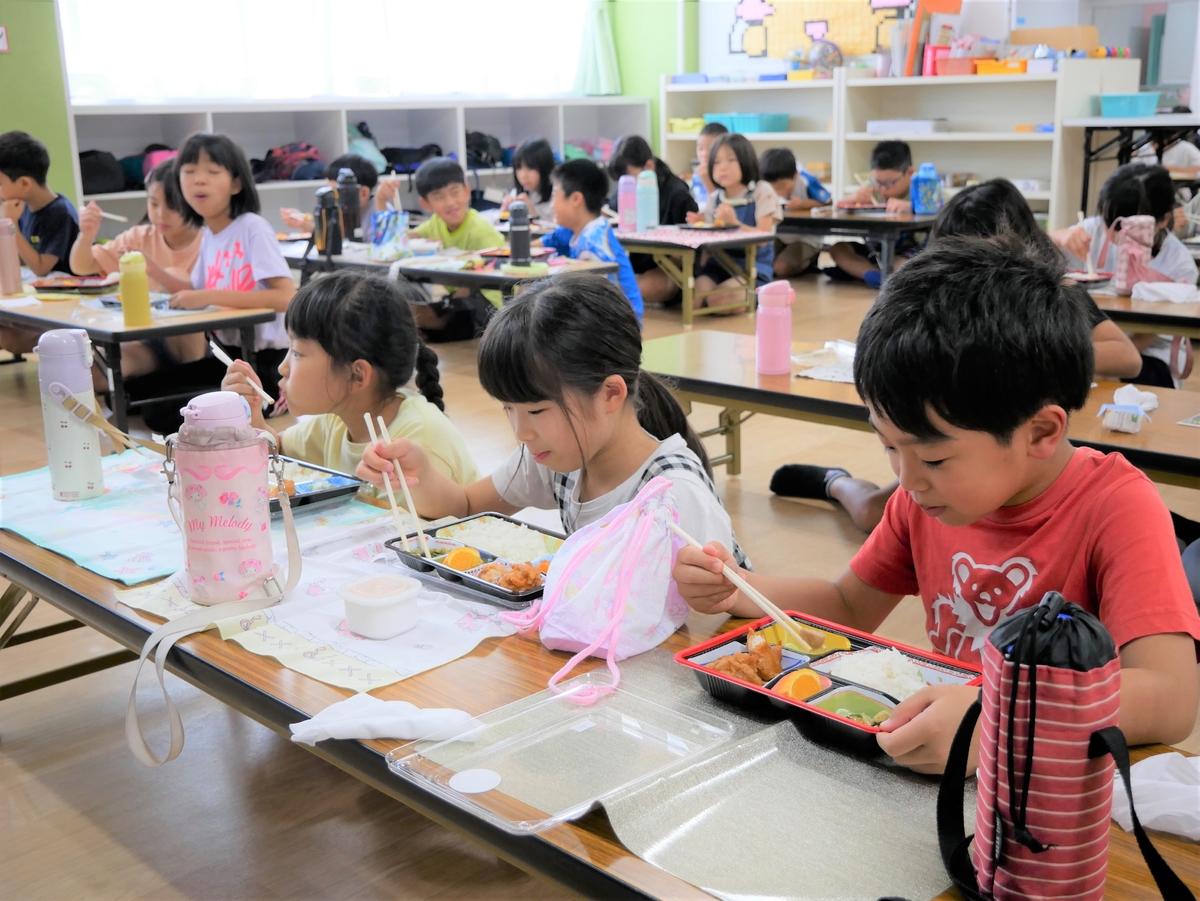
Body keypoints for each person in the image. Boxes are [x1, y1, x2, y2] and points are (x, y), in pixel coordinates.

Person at [676, 238, 1200, 773]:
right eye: (888, 447)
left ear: (1040, 430)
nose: (906, 480)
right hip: (948, 765)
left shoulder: (1116, 507)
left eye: (934, 458)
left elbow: (1171, 697)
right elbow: (849, 606)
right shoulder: (920, 498)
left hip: (1052, 796)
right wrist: (737, 586)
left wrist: (1000, 718)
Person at [772, 179, 1144, 532]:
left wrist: (1021, 360)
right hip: (972, 444)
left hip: (1014, 446)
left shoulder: (1039, 296)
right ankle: (836, 482)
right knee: (875, 512)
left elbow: (1128, 358)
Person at [356, 272, 747, 566]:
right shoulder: (560, 456)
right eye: (508, 409)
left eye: (536, 410)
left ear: (610, 394)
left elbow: (712, 618)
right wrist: (419, 473)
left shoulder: (673, 495)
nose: (520, 431)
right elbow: (466, 505)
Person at [222, 270, 477, 491]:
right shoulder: (336, 420)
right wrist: (251, 413)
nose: (282, 367)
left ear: (357, 375)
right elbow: (275, 448)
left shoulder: (418, 442)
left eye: (297, 352)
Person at [170, 132, 296, 399]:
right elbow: (194, 291)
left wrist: (207, 296)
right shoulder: (209, 234)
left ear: (236, 184)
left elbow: (286, 297)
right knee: (140, 395)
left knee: (166, 410)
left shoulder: (252, 227)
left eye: (213, 171)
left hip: (267, 365)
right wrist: (148, 267)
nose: (199, 179)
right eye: (189, 171)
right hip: (229, 358)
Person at [1051, 163, 1197, 388]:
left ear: (1163, 220)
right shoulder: (1091, 232)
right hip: (1089, 346)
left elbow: (1142, 340)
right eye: (1109, 221)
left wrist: (1104, 365)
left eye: (1128, 227)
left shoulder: (1179, 263)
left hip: (1148, 355)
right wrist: (1058, 237)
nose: (1114, 234)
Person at [69, 158, 205, 379]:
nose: (160, 214)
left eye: (172, 206)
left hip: (196, 345)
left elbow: (198, 296)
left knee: (175, 275)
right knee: (85, 372)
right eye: (153, 204)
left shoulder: (208, 242)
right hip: (146, 342)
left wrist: (151, 268)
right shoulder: (139, 236)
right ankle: (156, 382)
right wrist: (86, 236)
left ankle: (189, 382)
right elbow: (82, 267)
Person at [408, 156, 506, 340]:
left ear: (466, 191)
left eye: (455, 192)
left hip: (492, 307)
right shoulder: (436, 223)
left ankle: (433, 322)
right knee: (413, 316)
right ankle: (432, 322)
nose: (450, 202)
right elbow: (404, 238)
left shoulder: (479, 230)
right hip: (458, 300)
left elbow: (494, 280)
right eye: (439, 197)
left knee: (433, 322)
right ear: (426, 204)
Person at [0, 131, 80, 355]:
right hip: (38, 299)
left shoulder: (59, 212)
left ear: (25, 183)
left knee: (10, 339)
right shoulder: (21, 207)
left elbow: (41, 267)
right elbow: (15, 260)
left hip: (66, 304)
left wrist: (10, 224)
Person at [685, 133, 782, 310]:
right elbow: (709, 236)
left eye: (731, 160)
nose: (723, 168)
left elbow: (764, 238)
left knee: (718, 301)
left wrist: (735, 223)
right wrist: (700, 223)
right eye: (716, 162)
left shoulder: (761, 191)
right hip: (718, 266)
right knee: (692, 301)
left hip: (751, 269)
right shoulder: (715, 198)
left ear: (746, 161)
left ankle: (762, 295)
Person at [540, 159, 643, 318]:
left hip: (617, 325)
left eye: (555, 196)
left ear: (576, 199)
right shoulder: (587, 230)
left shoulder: (592, 243)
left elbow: (595, 303)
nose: (552, 205)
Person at [606, 134, 698, 305]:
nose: (626, 185)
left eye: (630, 178)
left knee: (629, 292)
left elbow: (689, 247)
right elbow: (611, 215)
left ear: (649, 166)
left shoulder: (677, 193)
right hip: (633, 264)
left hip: (668, 268)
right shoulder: (625, 187)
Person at [826, 140, 917, 288]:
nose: (882, 188)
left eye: (890, 183)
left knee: (903, 263)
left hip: (908, 251)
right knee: (838, 248)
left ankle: (886, 276)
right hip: (876, 252)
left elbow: (945, 210)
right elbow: (837, 207)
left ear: (910, 173)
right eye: (877, 181)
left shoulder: (924, 188)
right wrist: (853, 198)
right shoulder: (872, 187)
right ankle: (875, 276)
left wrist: (912, 206)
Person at [760, 147, 832, 278]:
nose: (778, 193)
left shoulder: (806, 180)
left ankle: (808, 264)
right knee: (761, 263)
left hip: (807, 237)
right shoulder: (761, 184)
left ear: (795, 174)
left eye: (782, 187)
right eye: (772, 189)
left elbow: (828, 202)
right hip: (780, 234)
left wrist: (803, 203)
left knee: (780, 268)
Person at [280, 154, 381, 241]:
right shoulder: (341, 211)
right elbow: (332, 240)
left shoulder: (380, 214)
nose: (331, 198)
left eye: (336, 192)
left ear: (363, 193)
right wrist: (304, 225)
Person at [499, 138, 556, 221]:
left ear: (544, 167)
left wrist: (531, 212)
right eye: (519, 168)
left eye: (530, 168)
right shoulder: (516, 193)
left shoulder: (557, 196)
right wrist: (504, 211)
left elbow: (557, 231)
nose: (523, 176)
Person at [691, 122, 728, 206]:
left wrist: (707, 181)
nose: (704, 154)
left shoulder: (726, 175)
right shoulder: (697, 175)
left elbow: (720, 206)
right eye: (700, 149)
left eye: (711, 148)